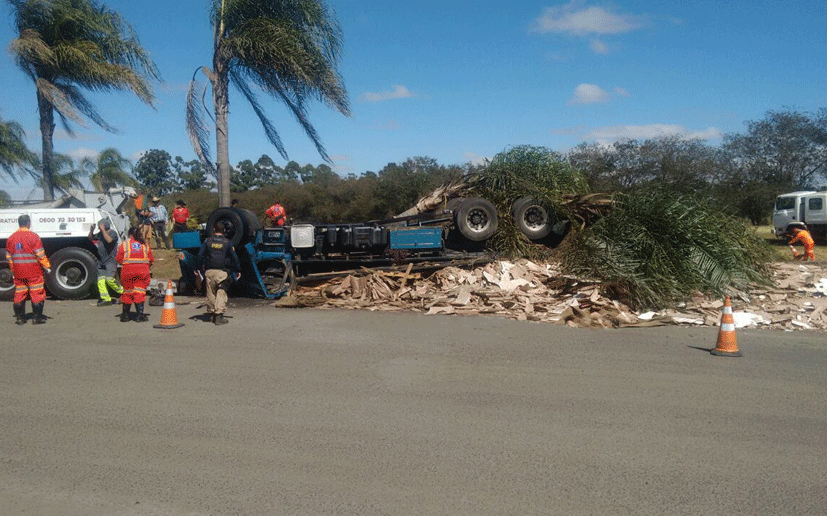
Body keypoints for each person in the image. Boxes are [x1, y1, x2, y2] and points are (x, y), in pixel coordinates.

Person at [6, 214, 51, 324]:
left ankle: (20, 318)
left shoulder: (11, 238)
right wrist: (47, 266)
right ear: (28, 223)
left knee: (20, 293)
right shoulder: (33, 236)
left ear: (19, 223)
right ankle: (37, 318)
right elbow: (40, 254)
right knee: (36, 293)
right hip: (33, 271)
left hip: (19, 272)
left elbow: (9, 257)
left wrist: (13, 270)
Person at [198, 221, 241, 325]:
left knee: (211, 293)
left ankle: (211, 314)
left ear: (213, 230)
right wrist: (238, 270)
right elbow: (234, 257)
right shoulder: (227, 242)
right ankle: (219, 316)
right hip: (222, 272)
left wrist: (197, 268)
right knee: (221, 292)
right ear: (225, 230)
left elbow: (200, 255)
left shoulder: (207, 241)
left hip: (209, 272)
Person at [116, 226, 154, 322]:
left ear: (130, 235)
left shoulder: (125, 244)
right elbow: (151, 259)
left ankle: (125, 315)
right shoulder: (145, 245)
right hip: (142, 271)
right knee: (139, 292)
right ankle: (139, 315)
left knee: (127, 291)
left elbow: (118, 259)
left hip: (128, 271)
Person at [88, 219, 123, 306]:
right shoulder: (100, 234)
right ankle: (106, 298)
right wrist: (91, 230)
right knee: (100, 281)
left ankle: (124, 292)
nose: (100, 227)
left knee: (109, 280)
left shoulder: (112, 233)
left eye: (101, 225)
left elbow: (109, 240)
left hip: (110, 261)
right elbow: (91, 238)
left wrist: (103, 230)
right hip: (101, 261)